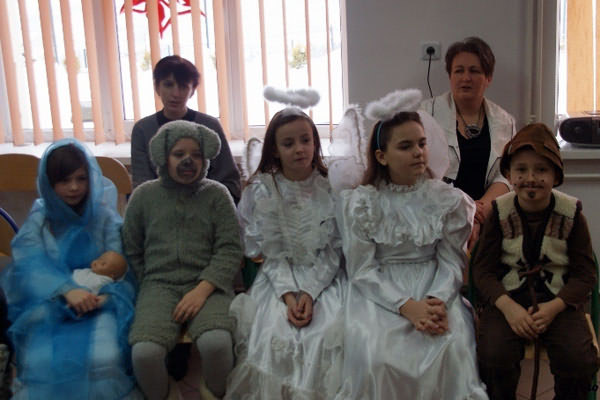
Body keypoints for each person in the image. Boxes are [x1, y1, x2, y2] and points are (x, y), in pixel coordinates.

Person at [336, 93, 488, 399]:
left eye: (422, 143)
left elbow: (452, 260)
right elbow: (362, 268)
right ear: (382, 156)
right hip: (380, 291)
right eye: (405, 146)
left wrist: (436, 302)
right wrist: (406, 306)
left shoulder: (446, 200)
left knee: (451, 345)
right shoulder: (362, 203)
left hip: (434, 285)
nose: (418, 152)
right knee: (379, 355)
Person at [0, 139, 138, 399]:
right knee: (42, 362)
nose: (74, 187)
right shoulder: (40, 221)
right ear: (49, 184)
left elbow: (123, 265)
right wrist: (66, 290)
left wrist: (104, 297)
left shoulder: (105, 218)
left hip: (101, 304)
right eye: (64, 181)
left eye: (81, 179)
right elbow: (29, 265)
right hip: (49, 303)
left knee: (104, 358)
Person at [225, 107, 346, 399]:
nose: (299, 149)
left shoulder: (332, 188)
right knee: (274, 334)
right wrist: (289, 295)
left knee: (325, 333)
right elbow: (269, 255)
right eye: (288, 143)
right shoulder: (262, 191)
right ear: (275, 150)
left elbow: (334, 252)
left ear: (315, 142)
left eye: (305, 140)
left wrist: (310, 293)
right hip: (278, 280)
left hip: (325, 279)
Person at [472, 123, 599, 400]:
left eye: (541, 170)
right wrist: (508, 307)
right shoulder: (499, 212)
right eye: (521, 169)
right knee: (493, 356)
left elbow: (585, 274)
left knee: (577, 359)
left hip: (558, 302)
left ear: (556, 175)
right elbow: (482, 271)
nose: (531, 178)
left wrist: (554, 307)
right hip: (508, 301)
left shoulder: (571, 214)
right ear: (509, 174)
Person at [123, 120, 243, 399]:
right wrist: (148, 283)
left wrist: (203, 289)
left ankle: (215, 392)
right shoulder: (143, 196)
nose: (188, 161)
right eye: (179, 154)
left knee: (217, 344)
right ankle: (166, 394)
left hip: (209, 286)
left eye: (196, 154)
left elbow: (229, 248)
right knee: (144, 353)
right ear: (164, 157)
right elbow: (132, 247)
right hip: (158, 286)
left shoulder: (217, 194)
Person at [420, 36, 515, 246]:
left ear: (488, 77)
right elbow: (420, 173)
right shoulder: (426, 114)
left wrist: (480, 211)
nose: (466, 78)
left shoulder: (505, 121)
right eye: (459, 71)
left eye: (474, 71)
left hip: (486, 216)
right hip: (437, 216)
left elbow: (507, 174)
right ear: (450, 76)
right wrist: (463, 211)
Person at [131, 54, 241, 203]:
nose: (175, 94)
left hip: (206, 207)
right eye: (168, 85)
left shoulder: (210, 125)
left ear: (193, 91)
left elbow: (230, 182)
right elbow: (141, 185)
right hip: (160, 210)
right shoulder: (142, 129)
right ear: (157, 87)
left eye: (183, 87)